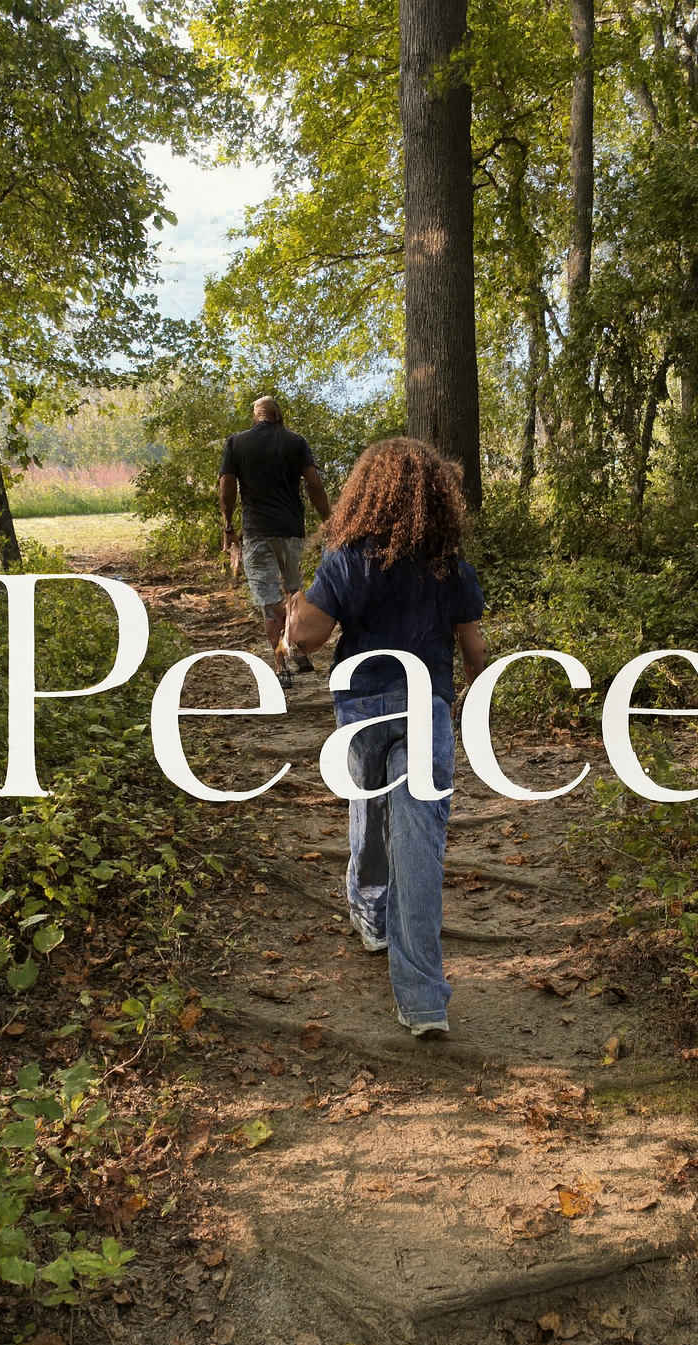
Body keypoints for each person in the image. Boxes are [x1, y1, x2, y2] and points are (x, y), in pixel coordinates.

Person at [285, 438, 486, 1038]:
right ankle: (424, 1001)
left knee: (367, 810)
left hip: (364, 707)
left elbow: (313, 637)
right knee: (420, 844)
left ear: (364, 493)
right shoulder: (451, 565)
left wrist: (296, 623)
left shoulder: (346, 559)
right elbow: (475, 652)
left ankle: (370, 914)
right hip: (426, 707)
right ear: (435, 497)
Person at [219, 396, 330, 686]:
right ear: (278, 416)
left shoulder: (236, 443)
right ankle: (299, 649)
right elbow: (314, 483)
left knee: (270, 602)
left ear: (255, 416)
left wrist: (228, 525)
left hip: (256, 532)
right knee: (294, 593)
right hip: (290, 530)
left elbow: (227, 486)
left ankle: (281, 668)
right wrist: (329, 520)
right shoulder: (295, 442)